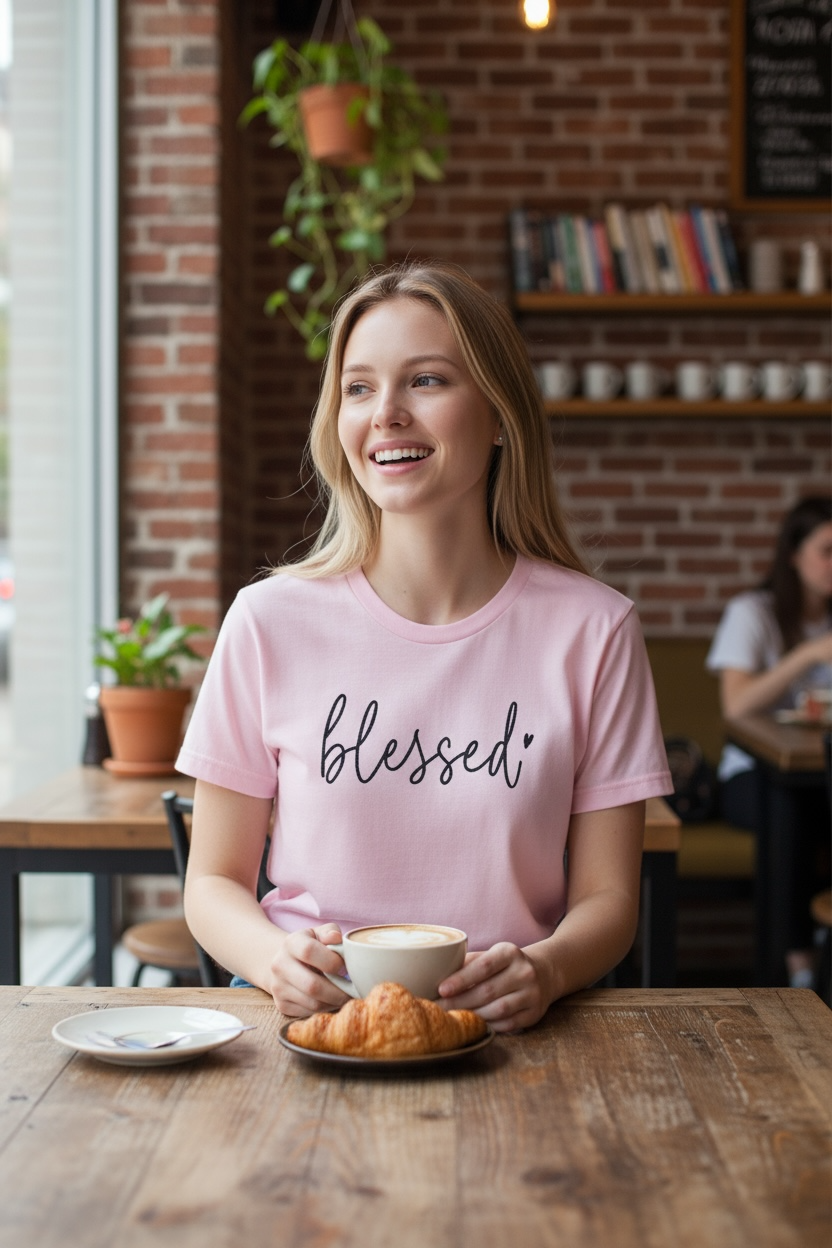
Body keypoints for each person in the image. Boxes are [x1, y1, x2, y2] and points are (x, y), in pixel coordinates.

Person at [176, 261, 672, 1032]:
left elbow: (609, 901)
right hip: (317, 1029)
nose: (386, 414)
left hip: (509, 1031)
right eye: (360, 388)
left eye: (428, 381)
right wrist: (272, 959)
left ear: (501, 414)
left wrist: (545, 969)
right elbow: (211, 881)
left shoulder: (593, 629)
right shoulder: (267, 621)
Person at [706, 495, 832, 988]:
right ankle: (795, 962)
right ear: (793, 555)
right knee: (789, 807)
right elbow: (735, 706)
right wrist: (807, 656)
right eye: (825, 550)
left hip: (816, 773)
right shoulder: (752, 612)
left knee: (803, 802)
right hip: (749, 775)